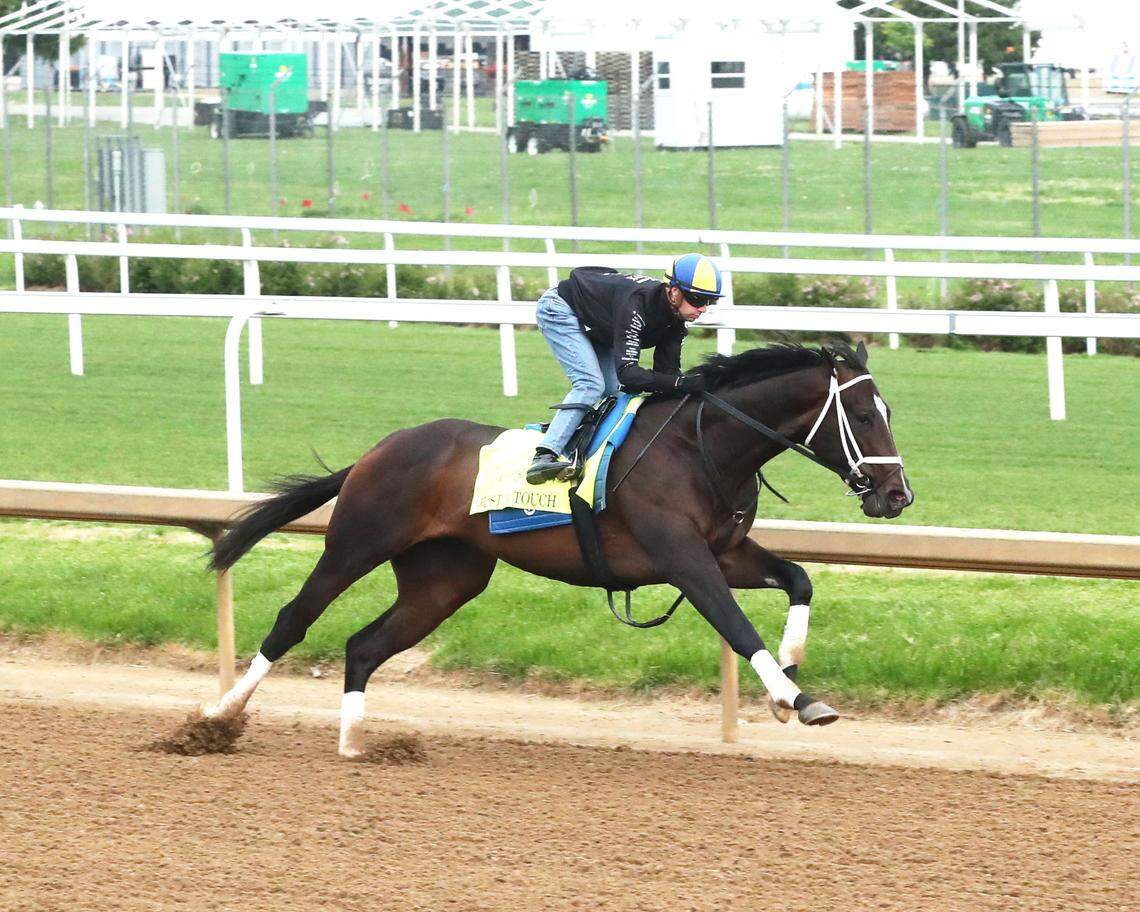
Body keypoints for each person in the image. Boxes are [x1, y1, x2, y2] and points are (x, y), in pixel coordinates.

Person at [526, 253, 723, 485]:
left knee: (614, 394)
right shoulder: (636, 304)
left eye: (710, 301)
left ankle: (577, 443)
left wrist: (695, 387)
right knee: (590, 385)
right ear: (674, 291)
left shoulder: (676, 321)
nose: (703, 309)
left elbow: (667, 378)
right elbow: (628, 374)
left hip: (600, 323)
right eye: (698, 299)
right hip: (560, 307)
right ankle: (545, 454)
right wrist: (682, 383)